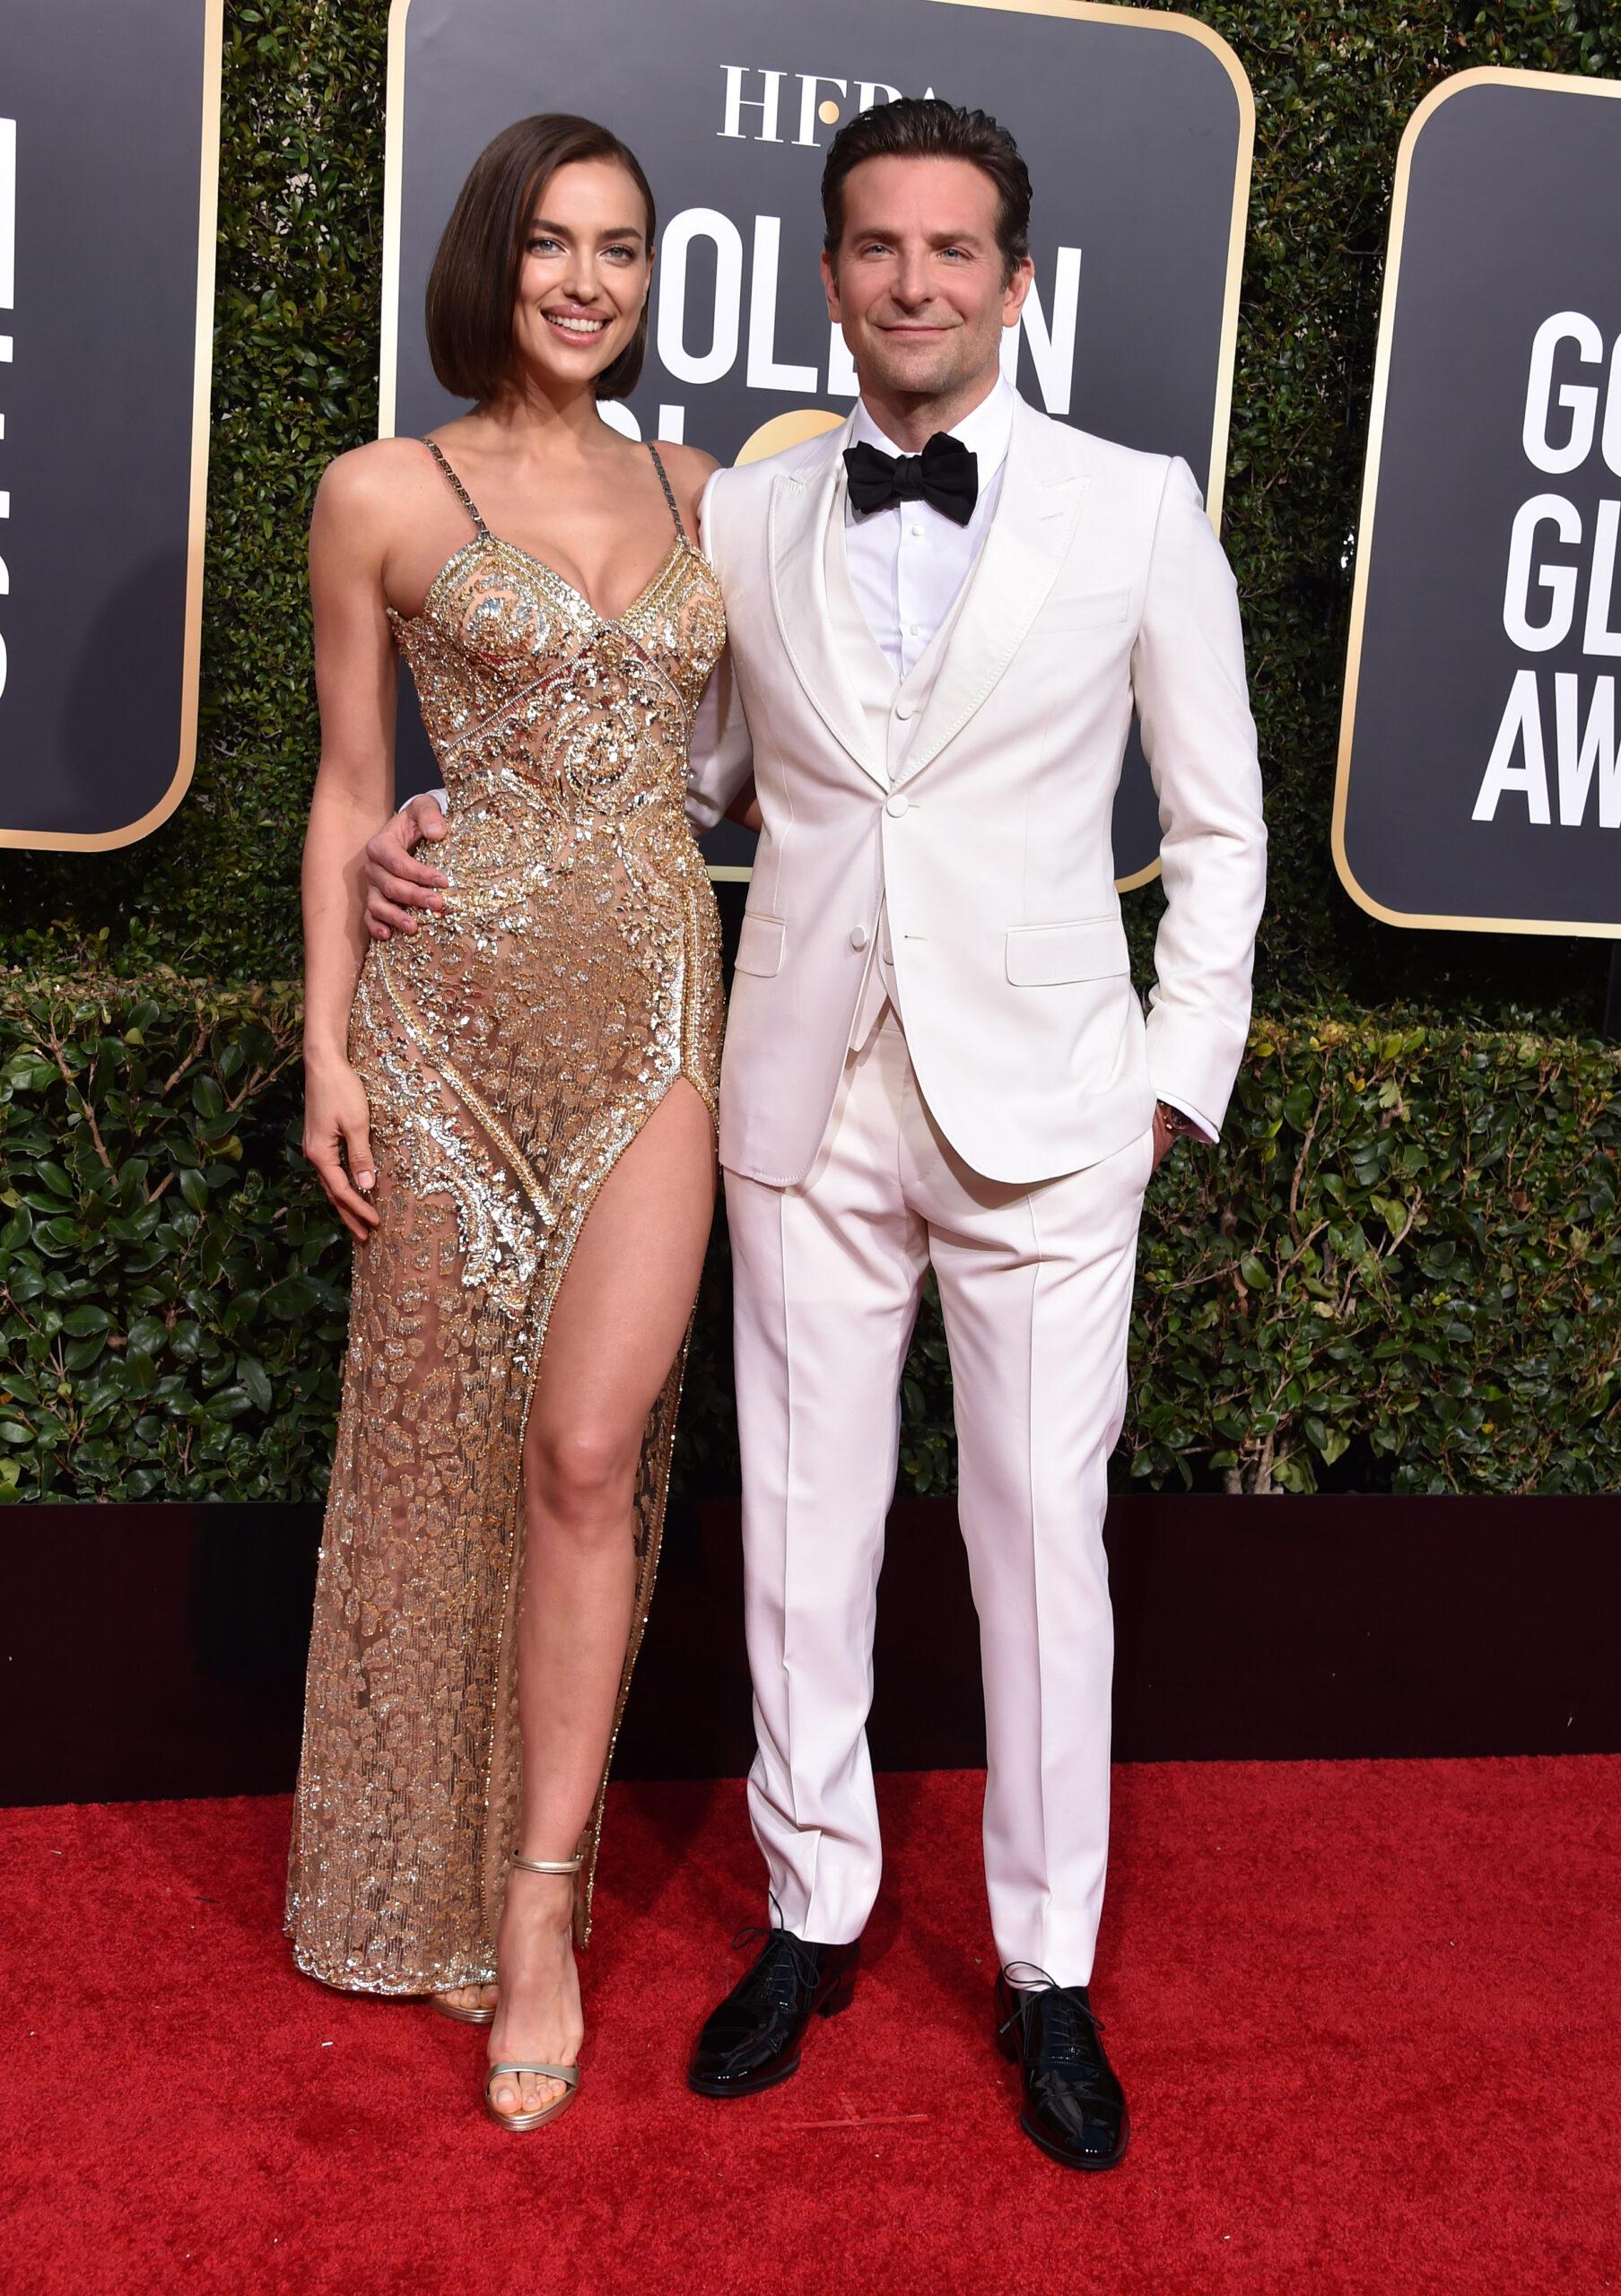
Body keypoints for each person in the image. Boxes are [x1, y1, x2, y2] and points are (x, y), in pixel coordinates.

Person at [368, 98, 1266, 2170]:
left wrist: (1160, 1088)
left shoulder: (1136, 508)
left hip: (1048, 1111)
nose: (915, 283)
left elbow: (1217, 832)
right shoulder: (752, 513)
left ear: (1015, 281)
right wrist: (459, 819)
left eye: (955, 251)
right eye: (877, 249)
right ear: (829, 273)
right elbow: (667, 767)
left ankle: (1046, 1966)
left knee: (1039, 1551)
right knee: (800, 1528)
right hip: (800, 1087)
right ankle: (810, 1904)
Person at [287, 112, 725, 2132]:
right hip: (447, 1024)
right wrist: (330, 1043)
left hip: (655, 1008)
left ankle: (537, 1897)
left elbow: (762, 766)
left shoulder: (719, 491)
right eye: (552, 244)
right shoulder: (381, 488)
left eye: (621, 248)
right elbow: (347, 782)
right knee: (437, 1448)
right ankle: (411, 1867)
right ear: (495, 260)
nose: (586, 281)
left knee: (584, 1443)